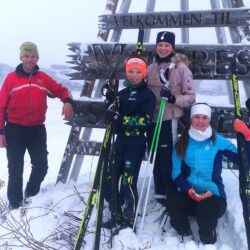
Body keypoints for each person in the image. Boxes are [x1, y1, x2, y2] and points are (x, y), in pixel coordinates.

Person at [0, 42, 74, 209]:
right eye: (26, 56)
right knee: (15, 169)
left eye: (33, 56)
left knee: (41, 166)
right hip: (14, 129)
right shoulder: (11, 79)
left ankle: (30, 197)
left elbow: (61, 90)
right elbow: (1, 106)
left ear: (37, 58)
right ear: (21, 57)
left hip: (37, 130)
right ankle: (15, 205)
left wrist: (67, 102)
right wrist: (1, 132)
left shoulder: (43, 78)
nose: (30, 59)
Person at [167, 103, 239, 244]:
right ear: (191, 119)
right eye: (197, 117)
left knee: (207, 208)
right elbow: (176, 174)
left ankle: (207, 238)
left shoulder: (217, 141)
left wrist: (247, 137)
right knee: (172, 199)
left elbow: (242, 158)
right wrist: (189, 190)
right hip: (191, 196)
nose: (200, 121)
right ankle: (185, 233)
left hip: (213, 198)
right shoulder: (182, 143)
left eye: (204, 117)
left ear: (209, 119)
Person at [103, 56, 156, 228]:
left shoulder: (147, 95)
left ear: (143, 73)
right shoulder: (121, 94)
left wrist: (121, 119)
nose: (134, 75)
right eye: (131, 71)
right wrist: (110, 104)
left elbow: (144, 121)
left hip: (135, 143)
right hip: (120, 142)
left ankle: (128, 218)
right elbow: (112, 114)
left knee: (127, 181)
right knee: (110, 179)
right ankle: (115, 214)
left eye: (138, 72)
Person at [146, 31, 196, 205]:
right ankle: (159, 194)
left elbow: (191, 97)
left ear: (172, 47)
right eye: (160, 45)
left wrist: (174, 99)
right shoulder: (151, 68)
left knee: (168, 158)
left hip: (169, 117)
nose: (162, 48)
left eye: (166, 45)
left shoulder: (181, 68)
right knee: (155, 156)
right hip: (152, 118)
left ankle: (170, 193)